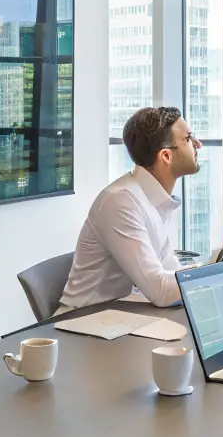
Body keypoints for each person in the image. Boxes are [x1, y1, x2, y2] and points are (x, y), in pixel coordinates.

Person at [56, 107, 200, 313]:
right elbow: (161, 291)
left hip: (121, 317)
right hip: (82, 323)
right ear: (166, 156)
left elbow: (169, 271)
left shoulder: (154, 199)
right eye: (188, 138)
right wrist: (215, 273)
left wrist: (211, 271)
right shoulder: (120, 201)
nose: (197, 144)